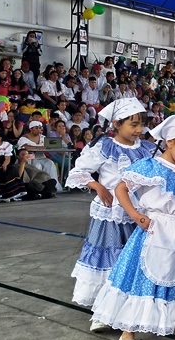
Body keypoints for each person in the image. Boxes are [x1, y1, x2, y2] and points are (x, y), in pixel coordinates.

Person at [91, 114, 175, 340]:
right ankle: (127, 332)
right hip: (155, 233)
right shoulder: (151, 167)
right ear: (169, 142)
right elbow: (121, 188)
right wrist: (136, 215)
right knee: (142, 280)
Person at [65, 98, 155, 317]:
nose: (138, 130)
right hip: (111, 213)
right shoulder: (104, 147)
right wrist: (97, 185)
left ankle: (130, 308)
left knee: (136, 260)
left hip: (140, 213)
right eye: (133, 125)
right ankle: (103, 311)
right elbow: (78, 171)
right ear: (116, 123)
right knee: (110, 260)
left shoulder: (148, 149)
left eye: (141, 124)